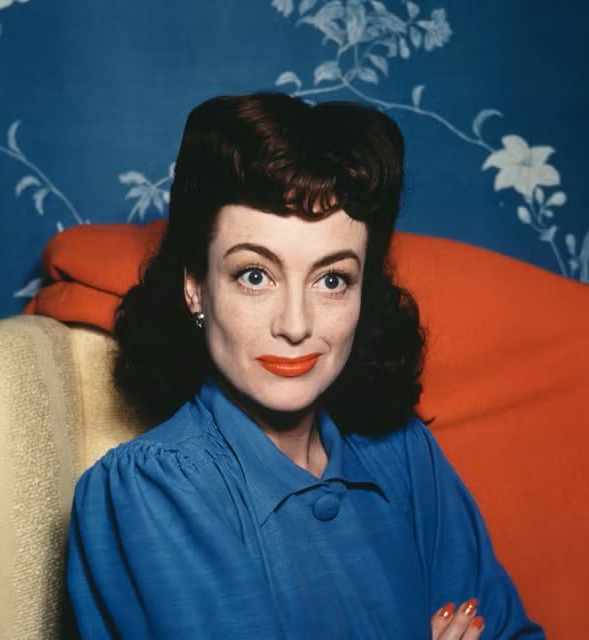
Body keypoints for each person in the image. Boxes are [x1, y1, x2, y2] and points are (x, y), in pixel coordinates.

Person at [66, 91, 545, 639]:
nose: (295, 325)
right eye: (255, 275)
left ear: (364, 293)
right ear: (196, 288)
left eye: (332, 279)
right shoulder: (149, 488)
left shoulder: (405, 454)